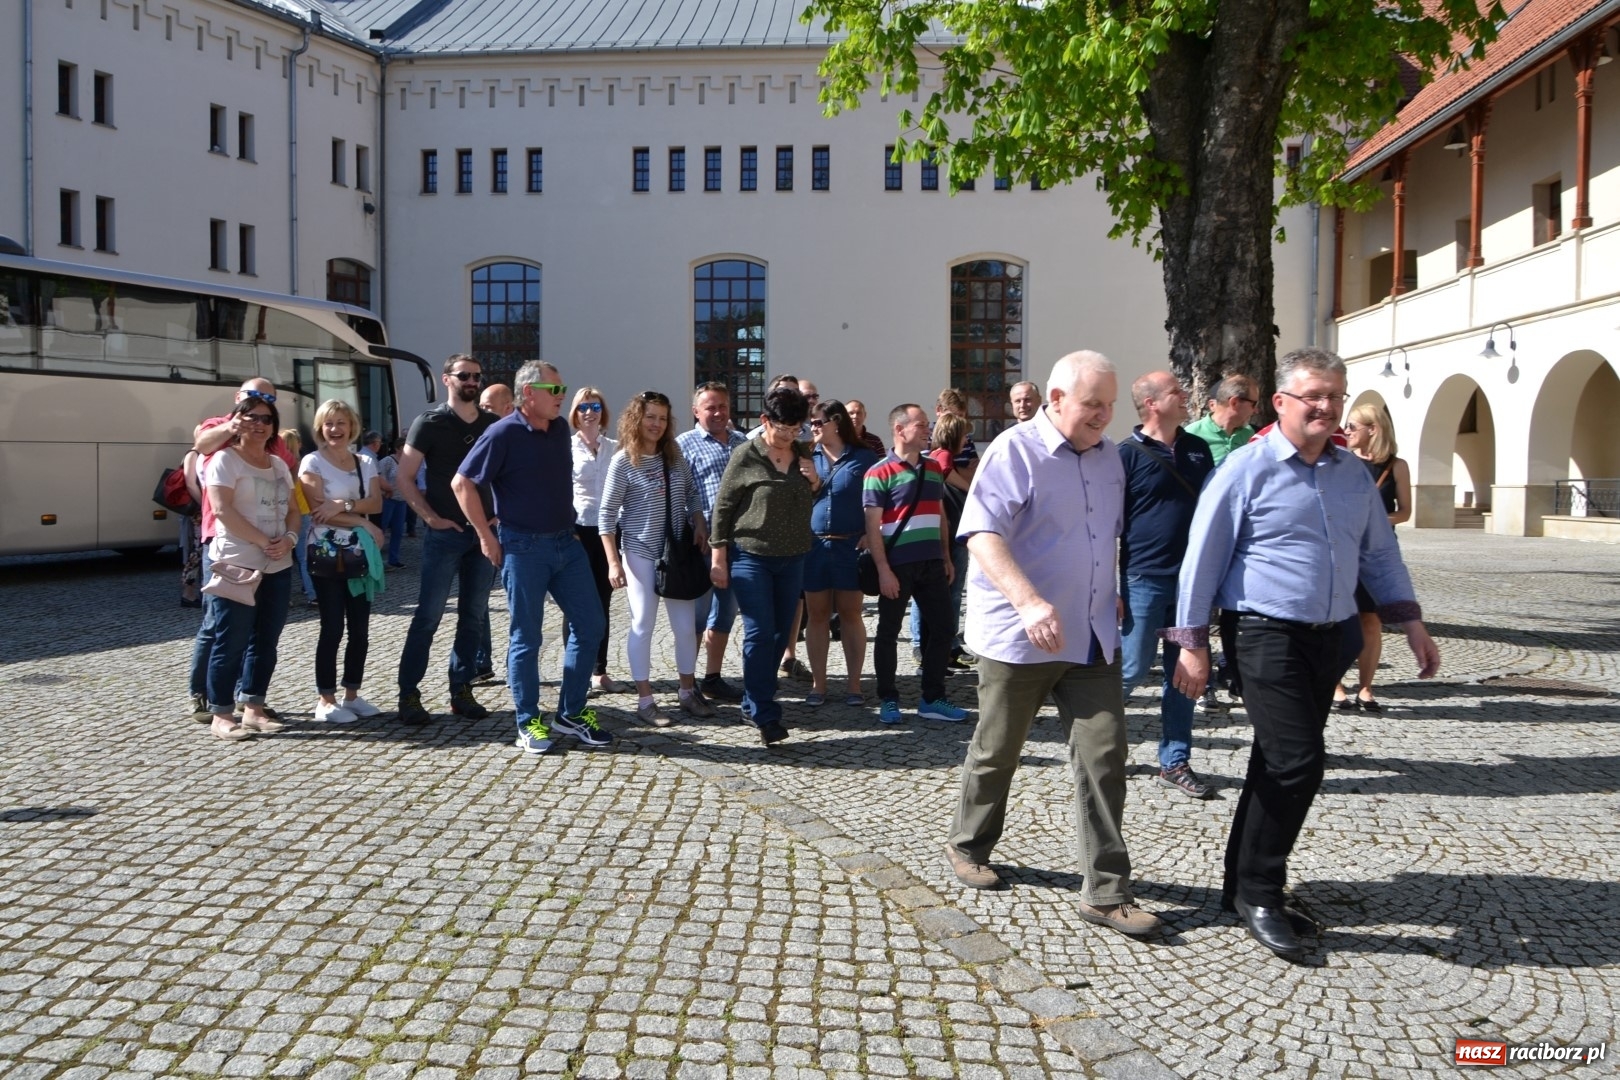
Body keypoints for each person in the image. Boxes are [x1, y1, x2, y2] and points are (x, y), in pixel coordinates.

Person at [1167, 347, 1440, 959]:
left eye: (1335, 396)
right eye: (1313, 395)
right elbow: (1202, 559)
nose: (1326, 406)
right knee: (1298, 762)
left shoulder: (1350, 473)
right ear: (1282, 403)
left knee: (1275, 758)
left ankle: (1239, 884)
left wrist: (1411, 622)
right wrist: (1192, 645)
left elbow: (1379, 554)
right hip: (1265, 633)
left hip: (1333, 634)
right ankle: (1261, 892)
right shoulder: (1246, 468)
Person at [944, 351, 1160, 938]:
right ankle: (969, 845)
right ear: (1056, 400)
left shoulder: (1111, 457)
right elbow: (981, 533)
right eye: (1094, 404)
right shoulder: (1015, 451)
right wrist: (1029, 600)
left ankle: (1106, 892)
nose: (1104, 416)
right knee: (998, 750)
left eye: (1111, 405)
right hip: (1020, 636)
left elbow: (1105, 536)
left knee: (1105, 756)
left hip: (1089, 636)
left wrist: (1111, 591)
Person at [456, 361, 611, 755]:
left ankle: (571, 713)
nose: (562, 397)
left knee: (591, 624)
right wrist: (486, 536)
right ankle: (527, 721)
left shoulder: (559, 429)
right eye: (554, 390)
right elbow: (463, 483)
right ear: (529, 394)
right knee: (527, 636)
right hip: (523, 547)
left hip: (566, 542)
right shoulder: (502, 432)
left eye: (562, 390)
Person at [1117, 372, 1216, 798]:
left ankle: (1174, 760)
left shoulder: (1197, 449)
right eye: (1177, 391)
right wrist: (1111, 586)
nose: (1187, 395)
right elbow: (1108, 526)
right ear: (1153, 403)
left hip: (1191, 584)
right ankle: (1100, 747)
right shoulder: (1125, 455)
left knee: (1185, 674)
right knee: (1131, 668)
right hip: (1142, 578)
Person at [708, 385, 821, 745]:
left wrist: (814, 479)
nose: (788, 437)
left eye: (795, 429)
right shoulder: (746, 454)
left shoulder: (804, 452)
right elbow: (723, 508)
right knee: (759, 630)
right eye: (781, 429)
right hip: (750, 555)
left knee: (780, 631)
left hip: (793, 556)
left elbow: (812, 496)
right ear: (764, 421)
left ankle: (752, 697)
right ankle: (764, 711)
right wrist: (718, 558)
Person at [598, 391, 716, 726]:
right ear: (637, 419)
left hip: (675, 551)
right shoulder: (624, 460)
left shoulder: (673, 455)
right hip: (640, 551)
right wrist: (613, 562)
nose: (657, 424)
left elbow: (692, 493)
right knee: (643, 623)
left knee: (683, 626)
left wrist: (698, 521)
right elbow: (606, 515)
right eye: (651, 417)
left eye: (662, 418)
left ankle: (686, 691)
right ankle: (646, 699)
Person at [393, 354, 500, 726]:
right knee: (428, 616)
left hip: (481, 536)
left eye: (477, 375)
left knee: (472, 617)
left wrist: (498, 514)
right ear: (446, 379)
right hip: (444, 535)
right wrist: (429, 518)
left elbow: (507, 472)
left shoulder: (491, 423)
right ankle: (408, 694)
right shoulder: (430, 422)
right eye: (464, 375)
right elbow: (404, 477)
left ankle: (461, 689)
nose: (472, 380)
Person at [188, 378, 297, 722]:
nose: (259, 421)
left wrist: (289, 539)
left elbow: (294, 504)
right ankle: (205, 698)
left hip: (275, 557)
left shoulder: (277, 457)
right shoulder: (220, 438)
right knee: (220, 629)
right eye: (253, 407)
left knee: (264, 636)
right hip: (227, 545)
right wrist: (234, 424)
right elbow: (202, 446)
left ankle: (250, 701)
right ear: (238, 401)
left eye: (268, 411)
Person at [864, 403, 968, 726]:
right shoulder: (877, 473)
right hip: (896, 566)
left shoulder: (934, 468)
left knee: (943, 627)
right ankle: (888, 698)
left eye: (928, 425)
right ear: (899, 430)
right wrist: (883, 570)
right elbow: (872, 527)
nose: (929, 430)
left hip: (932, 563)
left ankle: (932, 697)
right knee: (888, 632)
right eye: (921, 425)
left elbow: (939, 515)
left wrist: (946, 556)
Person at [299, 400, 386, 724]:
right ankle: (326, 699)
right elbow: (318, 509)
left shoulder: (365, 461)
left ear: (352, 426)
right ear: (320, 428)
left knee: (360, 629)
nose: (335, 429)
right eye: (329, 423)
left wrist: (344, 504)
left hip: (358, 553)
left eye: (341, 423)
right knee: (332, 627)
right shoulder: (312, 462)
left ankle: (352, 694)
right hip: (326, 553)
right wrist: (361, 521)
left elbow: (375, 501)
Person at [1333, 402, 1414, 713]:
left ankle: (1366, 687)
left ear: (1373, 429)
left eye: (1353, 426)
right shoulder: (1341, 462)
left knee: (1371, 621)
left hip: (1376, 552)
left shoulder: (1397, 466)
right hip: (1344, 550)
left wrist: (1376, 519)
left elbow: (1405, 511)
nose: (1347, 431)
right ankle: (1335, 684)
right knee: (1340, 620)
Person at [676, 382, 750, 702]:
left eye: (722, 406)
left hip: (737, 542)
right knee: (696, 617)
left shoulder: (742, 443)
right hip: (701, 544)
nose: (718, 412)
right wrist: (696, 523)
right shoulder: (684, 445)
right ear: (696, 411)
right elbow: (678, 494)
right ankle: (687, 685)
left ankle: (713, 677)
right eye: (710, 407)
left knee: (724, 614)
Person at [803, 399, 879, 707]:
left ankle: (854, 686)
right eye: (812, 423)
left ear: (836, 423)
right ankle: (818, 685)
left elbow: (876, 500)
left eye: (819, 423)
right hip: (814, 545)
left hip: (851, 545)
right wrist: (810, 482)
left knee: (850, 614)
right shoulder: (806, 455)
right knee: (817, 615)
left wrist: (868, 534)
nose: (813, 428)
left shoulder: (864, 457)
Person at [569, 386, 619, 692]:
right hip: (579, 530)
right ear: (575, 413)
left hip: (609, 531)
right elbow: (560, 491)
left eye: (596, 407)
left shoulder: (615, 447)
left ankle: (599, 670)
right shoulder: (566, 449)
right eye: (584, 407)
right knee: (576, 602)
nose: (589, 412)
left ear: (603, 413)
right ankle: (575, 670)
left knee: (603, 601)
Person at [1185, 373, 1260, 466]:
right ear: (1234, 402)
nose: (1256, 411)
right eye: (1254, 404)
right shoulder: (1190, 435)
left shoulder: (1252, 435)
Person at [375, 435, 408, 569]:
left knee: (398, 531)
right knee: (380, 529)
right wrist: (385, 492)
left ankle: (393, 559)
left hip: (402, 500)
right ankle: (375, 559)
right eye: (404, 447)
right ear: (397, 448)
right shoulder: (388, 461)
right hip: (388, 499)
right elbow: (378, 477)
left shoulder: (409, 461)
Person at [179, 448, 204, 608]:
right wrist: (206, 506)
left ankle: (192, 591)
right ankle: (188, 591)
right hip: (199, 511)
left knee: (200, 550)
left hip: (202, 510)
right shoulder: (193, 455)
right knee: (199, 550)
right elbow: (190, 484)